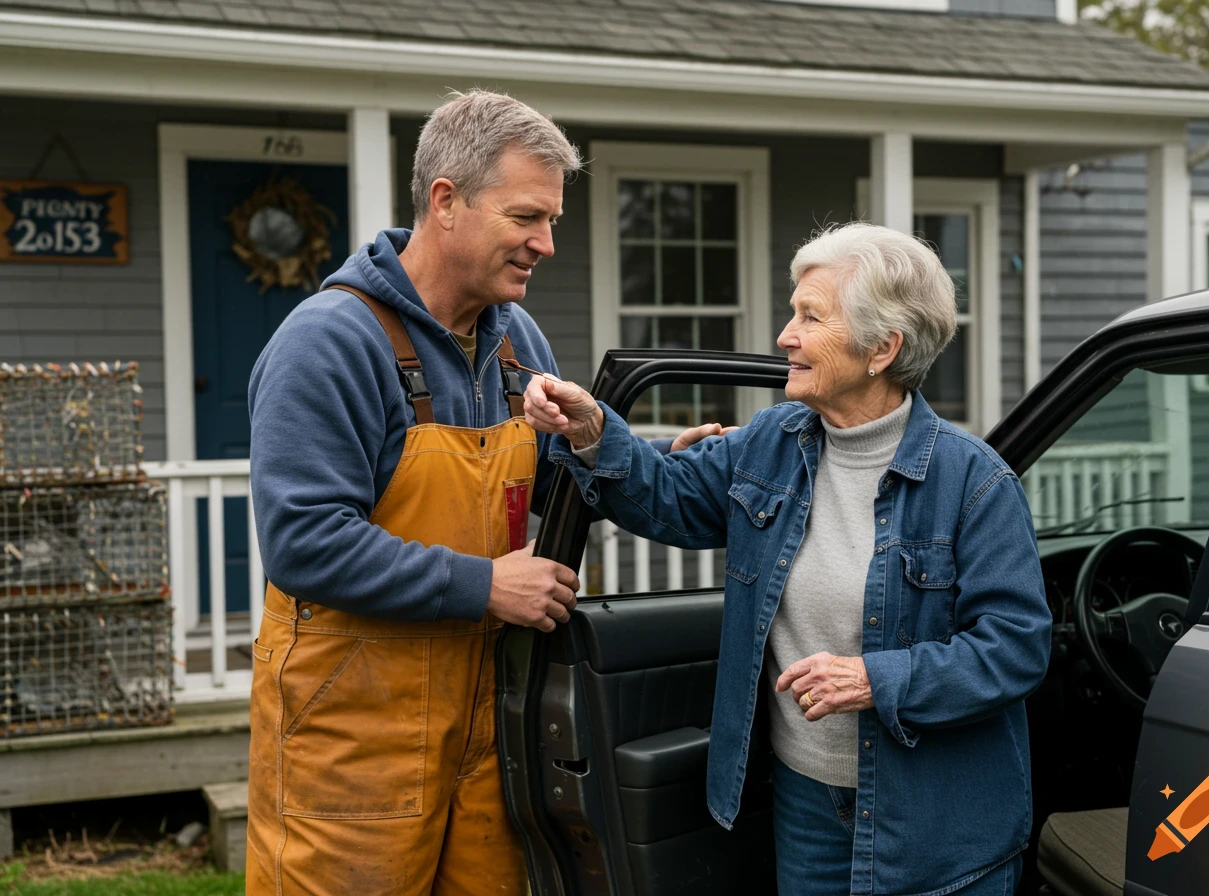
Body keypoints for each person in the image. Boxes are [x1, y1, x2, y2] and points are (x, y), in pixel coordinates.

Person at [244, 89, 720, 896]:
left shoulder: (513, 338)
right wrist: (487, 585)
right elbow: (306, 543)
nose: (547, 243)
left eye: (553, 222)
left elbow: (548, 484)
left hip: (489, 725)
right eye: (527, 217)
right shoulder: (328, 344)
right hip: (351, 732)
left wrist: (627, 453)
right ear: (446, 202)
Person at [524, 222, 1054, 896]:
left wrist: (874, 679)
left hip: (934, 827)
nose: (784, 335)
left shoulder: (974, 483)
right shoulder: (775, 440)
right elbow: (672, 497)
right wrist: (594, 431)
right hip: (806, 807)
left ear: (881, 348)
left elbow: (1015, 649)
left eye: (810, 316)